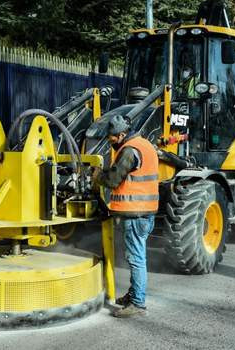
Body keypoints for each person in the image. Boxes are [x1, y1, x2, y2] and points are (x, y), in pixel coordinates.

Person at [92, 115, 159, 318]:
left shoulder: (129, 150)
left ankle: (138, 303)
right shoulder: (144, 144)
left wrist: (97, 176)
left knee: (136, 258)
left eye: (112, 137)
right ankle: (133, 295)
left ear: (122, 134)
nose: (110, 140)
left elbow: (113, 180)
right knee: (136, 256)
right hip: (144, 212)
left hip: (136, 213)